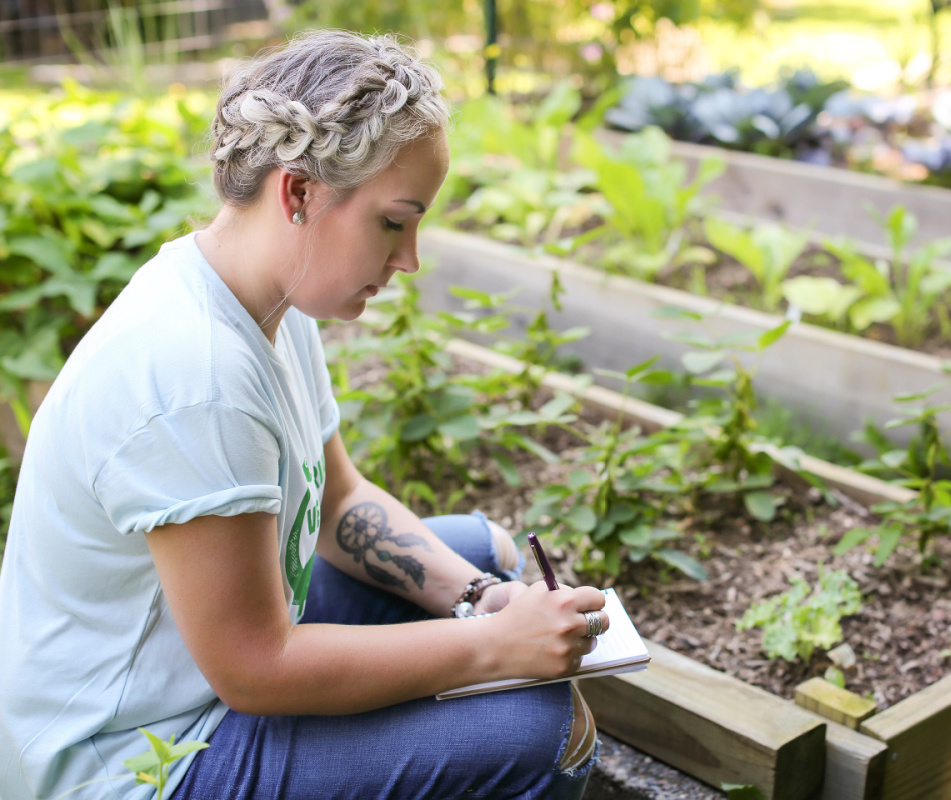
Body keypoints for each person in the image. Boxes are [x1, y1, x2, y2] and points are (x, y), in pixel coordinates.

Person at [0, 29, 608, 800]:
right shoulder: (197, 374)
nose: (410, 258)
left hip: (195, 673)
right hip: (133, 763)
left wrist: (477, 602)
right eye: (394, 221)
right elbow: (256, 667)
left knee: (485, 557)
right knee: (546, 731)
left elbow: (341, 504)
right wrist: (492, 646)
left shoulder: (266, 307)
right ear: (299, 193)